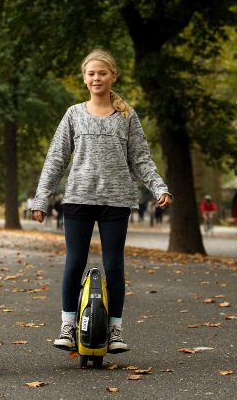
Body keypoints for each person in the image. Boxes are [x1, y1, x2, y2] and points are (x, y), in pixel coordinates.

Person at [30, 49, 172, 354]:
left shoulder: (127, 115)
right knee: (75, 262)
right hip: (79, 198)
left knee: (113, 265)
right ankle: (68, 326)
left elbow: (141, 159)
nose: (97, 78)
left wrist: (159, 187)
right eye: (91, 73)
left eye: (102, 73)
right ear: (84, 78)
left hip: (117, 201)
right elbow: (56, 158)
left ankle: (115, 330)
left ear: (113, 77)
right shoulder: (73, 114)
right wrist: (41, 199)